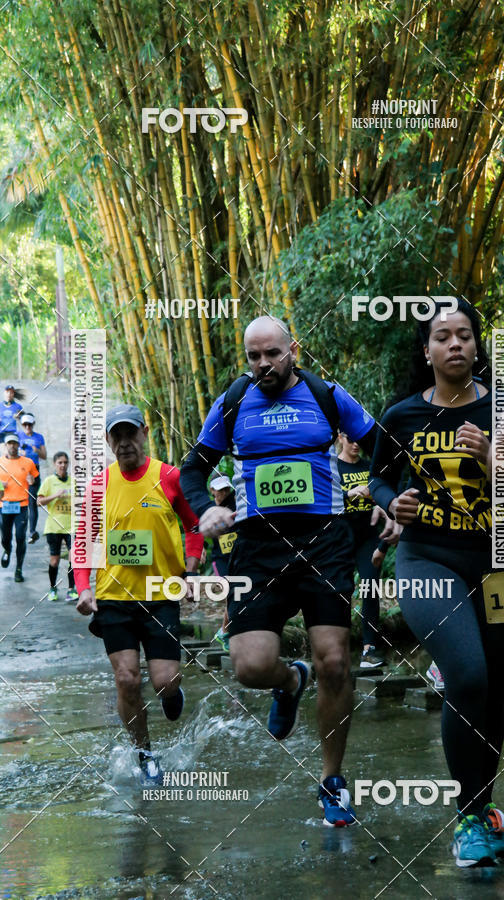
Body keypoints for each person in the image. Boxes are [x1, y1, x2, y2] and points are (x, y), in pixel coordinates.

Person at [181, 315, 397, 826]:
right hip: (257, 549)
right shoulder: (234, 401)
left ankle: (331, 780)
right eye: (253, 356)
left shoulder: (327, 395)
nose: (262, 365)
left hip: (324, 542)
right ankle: (288, 681)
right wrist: (202, 508)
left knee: (336, 661)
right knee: (250, 667)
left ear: (292, 350)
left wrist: (385, 497)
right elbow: (194, 467)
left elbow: (382, 444)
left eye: (272, 354)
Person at [370, 298, 504, 867]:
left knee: (493, 691)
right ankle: (468, 821)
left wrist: (496, 461)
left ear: (477, 346)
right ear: (426, 350)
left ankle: (483, 809)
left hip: (503, 557)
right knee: (468, 671)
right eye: (442, 336)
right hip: (427, 556)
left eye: (464, 335)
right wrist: (393, 500)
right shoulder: (403, 414)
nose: (455, 344)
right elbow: (373, 479)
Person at [73, 404, 204, 784]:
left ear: (144, 433)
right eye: (118, 435)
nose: (125, 442)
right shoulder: (98, 486)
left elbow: (194, 526)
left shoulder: (169, 477)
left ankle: (170, 693)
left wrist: (191, 571)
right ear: (108, 440)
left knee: (165, 680)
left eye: (131, 433)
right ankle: (145, 753)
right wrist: (84, 588)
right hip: (114, 599)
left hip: (161, 595)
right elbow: (84, 543)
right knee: (127, 680)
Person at [337, 432, 388, 667]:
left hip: (368, 537)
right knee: (341, 591)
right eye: (350, 439)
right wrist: (348, 493)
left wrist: (382, 506)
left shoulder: (370, 467)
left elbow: (385, 493)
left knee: (370, 587)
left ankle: (370, 648)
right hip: (341, 538)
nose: (356, 444)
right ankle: (339, 648)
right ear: (340, 438)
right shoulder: (332, 468)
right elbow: (321, 497)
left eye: (359, 440)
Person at [38, 451, 77, 602]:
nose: (62, 465)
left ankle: (71, 589)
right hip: (54, 527)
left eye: (65, 462)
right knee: (55, 560)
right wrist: (55, 495)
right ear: (55, 464)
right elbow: (39, 501)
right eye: (60, 462)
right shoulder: (49, 481)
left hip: (71, 527)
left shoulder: (73, 481)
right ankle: (53, 588)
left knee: (74, 559)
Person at [0, 434, 38, 582]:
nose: (12, 446)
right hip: (4, 505)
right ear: (5, 445)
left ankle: (18, 569)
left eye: (15, 443)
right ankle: (7, 550)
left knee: (21, 537)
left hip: (21, 505)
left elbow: (34, 480)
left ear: (18, 445)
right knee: (5, 537)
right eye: (10, 443)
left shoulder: (28, 462)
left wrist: (32, 481)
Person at [208, 473, 236, 652]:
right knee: (231, 592)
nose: (224, 492)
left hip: (239, 556)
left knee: (237, 594)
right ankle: (226, 630)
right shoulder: (208, 508)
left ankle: (225, 630)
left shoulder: (237, 503)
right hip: (220, 559)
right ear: (212, 491)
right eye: (220, 490)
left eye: (226, 489)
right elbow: (196, 528)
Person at [18, 412, 47, 543]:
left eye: (29, 424)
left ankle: (32, 531)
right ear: (22, 425)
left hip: (34, 470)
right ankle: (19, 528)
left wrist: (36, 450)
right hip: (20, 470)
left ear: (33, 424)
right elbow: (8, 450)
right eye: (25, 424)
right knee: (19, 500)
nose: (27, 427)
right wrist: (20, 452)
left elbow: (44, 455)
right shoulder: (18, 436)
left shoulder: (39, 437)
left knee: (32, 501)